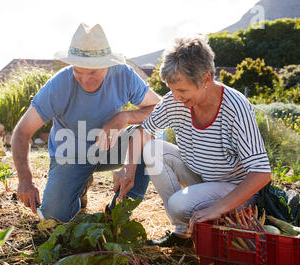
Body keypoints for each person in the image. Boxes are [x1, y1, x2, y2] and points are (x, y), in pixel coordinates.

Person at [114, 36, 272, 247]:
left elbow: (261, 172)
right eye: (171, 89)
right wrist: (128, 168)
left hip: (235, 189)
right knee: (152, 149)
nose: (175, 97)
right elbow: (142, 132)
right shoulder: (174, 101)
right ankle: (183, 234)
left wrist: (218, 207)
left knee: (178, 204)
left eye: (181, 90)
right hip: (203, 179)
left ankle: (204, 220)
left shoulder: (236, 107)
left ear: (206, 80)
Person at [11, 23, 161, 222]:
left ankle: (120, 208)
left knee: (154, 134)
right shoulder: (58, 86)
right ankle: (79, 188)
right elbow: (22, 132)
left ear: (108, 64)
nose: (85, 79)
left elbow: (159, 109)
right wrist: (25, 180)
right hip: (71, 153)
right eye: (79, 71)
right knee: (54, 218)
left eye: (93, 73)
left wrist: (124, 117)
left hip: (110, 146)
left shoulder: (123, 75)